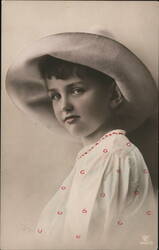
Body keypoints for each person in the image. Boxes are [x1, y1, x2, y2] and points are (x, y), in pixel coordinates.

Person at [6, 32, 157, 249]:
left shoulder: (113, 154)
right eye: (55, 96)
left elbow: (88, 241)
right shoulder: (97, 154)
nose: (64, 105)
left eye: (76, 90)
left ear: (114, 96)